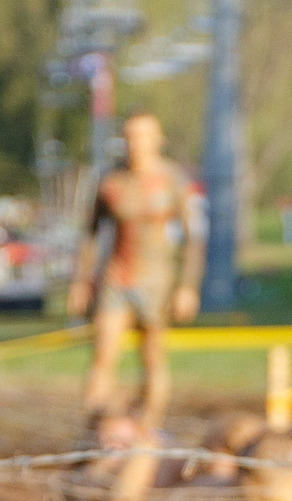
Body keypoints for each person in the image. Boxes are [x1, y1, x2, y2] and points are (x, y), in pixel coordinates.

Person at [68, 113, 207, 429]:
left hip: (157, 283)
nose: (137, 143)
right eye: (131, 135)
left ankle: (147, 431)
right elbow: (90, 235)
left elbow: (193, 239)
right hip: (116, 278)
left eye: (144, 135)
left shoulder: (174, 179)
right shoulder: (111, 181)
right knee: (103, 356)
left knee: (153, 360)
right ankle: (95, 434)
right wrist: (81, 282)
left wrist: (188, 287)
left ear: (158, 139)